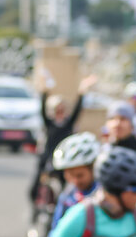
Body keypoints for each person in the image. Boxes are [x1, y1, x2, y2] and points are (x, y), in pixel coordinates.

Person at [34, 74, 96, 209]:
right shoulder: (49, 124)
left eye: (62, 110)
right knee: (36, 186)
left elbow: (77, 111)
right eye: (57, 110)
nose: (60, 113)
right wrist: (44, 90)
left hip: (64, 161)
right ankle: (36, 210)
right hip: (49, 159)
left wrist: (82, 91)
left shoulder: (68, 124)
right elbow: (42, 111)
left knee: (66, 188)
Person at [49, 131, 100, 230]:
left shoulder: (105, 195)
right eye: (70, 176)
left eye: (80, 175)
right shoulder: (67, 196)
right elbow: (56, 230)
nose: (75, 181)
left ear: (94, 169)